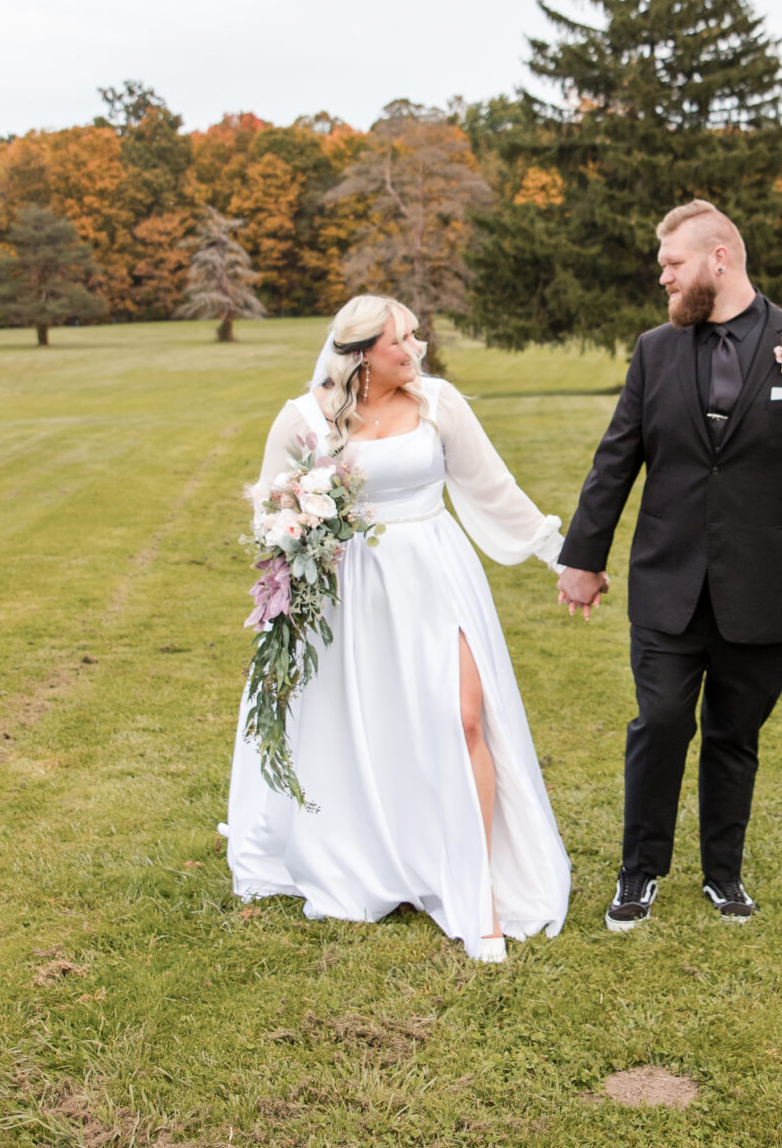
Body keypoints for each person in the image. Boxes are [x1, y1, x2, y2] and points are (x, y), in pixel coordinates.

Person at [555, 201, 782, 932]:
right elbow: (617, 458)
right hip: (668, 582)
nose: (663, 279)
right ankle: (638, 872)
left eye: (672, 264)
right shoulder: (655, 350)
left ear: (719, 259)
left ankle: (722, 875)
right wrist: (583, 557)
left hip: (765, 587)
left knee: (735, 735)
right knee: (662, 721)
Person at [224, 295, 570, 963]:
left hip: (434, 574)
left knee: (466, 717)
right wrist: (295, 550)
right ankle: (383, 857)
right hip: (347, 592)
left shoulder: (439, 403)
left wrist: (561, 556)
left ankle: (482, 893)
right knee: (366, 727)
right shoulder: (303, 420)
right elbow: (271, 510)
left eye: (414, 337)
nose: (415, 352)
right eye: (398, 342)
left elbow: (493, 488)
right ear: (357, 355)